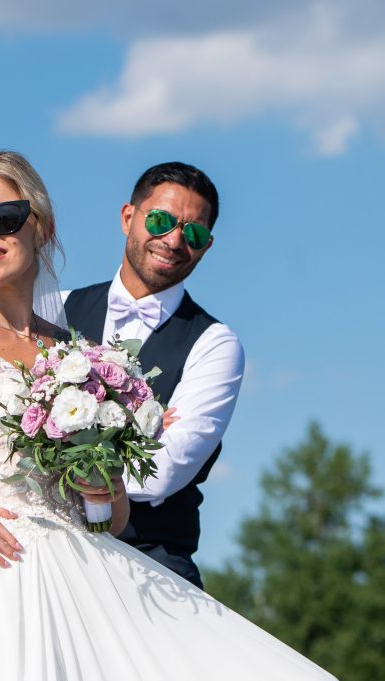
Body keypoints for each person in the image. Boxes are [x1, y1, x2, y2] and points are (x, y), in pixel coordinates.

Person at [0, 150, 335, 680]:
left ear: (42, 227)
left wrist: (105, 482)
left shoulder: (74, 352)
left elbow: (108, 518)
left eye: (4, 218)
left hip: (95, 583)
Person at [63, 161, 241, 589]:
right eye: (160, 220)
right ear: (129, 218)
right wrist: (143, 438)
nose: (174, 240)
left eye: (193, 233)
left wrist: (62, 450)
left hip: (152, 568)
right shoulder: (55, 309)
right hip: (55, 557)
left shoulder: (216, 344)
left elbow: (162, 473)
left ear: (206, 246)